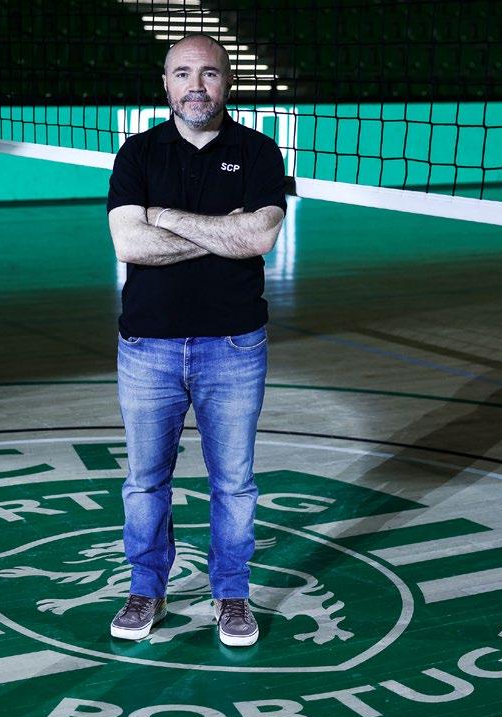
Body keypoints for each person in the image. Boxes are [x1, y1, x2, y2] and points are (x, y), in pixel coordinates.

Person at [106, 33, 287, 647]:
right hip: (147, 347)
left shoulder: (258, 152)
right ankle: (146, 589)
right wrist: (220, 233)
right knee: (144, 482)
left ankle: (231, 595)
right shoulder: (138, 153)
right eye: (182, 73)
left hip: (233, 347)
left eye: (208, 73)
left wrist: (165, 217)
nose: (196, 86)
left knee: (233, 483)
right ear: (165, 84)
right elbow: (129, 244)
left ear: (226, 81)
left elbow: (258, 239)